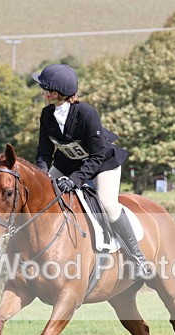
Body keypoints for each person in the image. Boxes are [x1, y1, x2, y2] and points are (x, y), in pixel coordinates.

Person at [32, 63, 151, 277]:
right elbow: (43, 152)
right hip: (67, 163)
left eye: (45, 89)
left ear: (56, 93)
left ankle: (137, 257)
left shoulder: (87, 113)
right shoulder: (46, 114)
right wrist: (42, 175)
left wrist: (75, 180)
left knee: (107, 205)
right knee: (41, 197)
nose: (42, 93)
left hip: (102, 165)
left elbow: (97, 155)